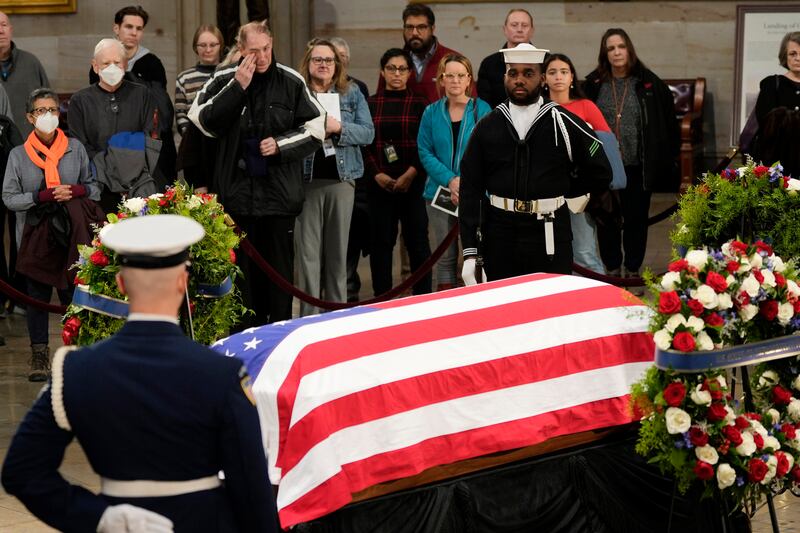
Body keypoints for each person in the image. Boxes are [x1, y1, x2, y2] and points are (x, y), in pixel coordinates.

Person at [1, 214, 279, 532]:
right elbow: (251, 489)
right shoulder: (222, 373)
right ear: (183, 281)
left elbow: (22, 471)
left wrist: (99, 517)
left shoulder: (76, 370)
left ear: (120, 283)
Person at [189, 21, 325, 326]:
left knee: (278, 281)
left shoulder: (290, 80)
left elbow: (317, 126)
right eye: (254, 51)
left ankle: (278, 337)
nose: (262, 56)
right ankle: (244, 343)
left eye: (266, 49)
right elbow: (199, 119)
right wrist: (237, 87)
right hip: (236, 200)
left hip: (279, 198)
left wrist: (280, 144)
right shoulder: (224, 78)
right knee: (241, 282)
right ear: (241, 50)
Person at [459, 44, 612, 283]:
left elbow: (601, 170)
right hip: (499, 232)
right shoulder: (487, 125)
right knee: (505, 308)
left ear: (542, 79)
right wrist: (470, 250)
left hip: (550, 231)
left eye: (528, 73)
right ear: (504, 77)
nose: (519, 80)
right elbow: (470, 187)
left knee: (552, 308)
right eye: (513, 73)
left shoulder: (565, 122)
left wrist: (567, 190)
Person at [2, 88, 101, 382]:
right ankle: (39, 354)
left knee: (74, 296)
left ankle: (77, 354)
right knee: (37, 299)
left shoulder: (75, 148)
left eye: (53, 110)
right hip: (35, 238)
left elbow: (94, 188)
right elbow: (9, 198)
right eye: (41, 111)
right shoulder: (18, 155)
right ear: (30, 117)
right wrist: (41, 195)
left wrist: (75, 190)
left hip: (72, 236)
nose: (48, 116)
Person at [583, 28, 678, 284]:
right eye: (611, 48)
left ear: (629, 49)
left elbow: (666, 125)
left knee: (636, 220)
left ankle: (633, 269)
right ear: (605, 53)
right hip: (604, 167)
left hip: (637, 166)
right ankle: (612, 269)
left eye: (621, 47)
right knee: (606, 220)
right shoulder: (593, 84)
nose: (616, 52)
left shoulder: (649, 83)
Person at [295, 39, 373, 316]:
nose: (324, 65)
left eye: (329, 60)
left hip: (342, 180)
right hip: (305, 183)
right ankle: (306, 318)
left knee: (339, 255)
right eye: (318, 59)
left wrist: (338, 127)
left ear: (337, 64)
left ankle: (336, 316)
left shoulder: (351, 92)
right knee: (308, 258)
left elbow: (368, 133)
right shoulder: (297, 91)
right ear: (308, 62)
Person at [542, 52, 626, 275]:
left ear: (572, 78)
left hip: (578, 191)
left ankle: (600, 303)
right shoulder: (538, 109)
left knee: (584, 252)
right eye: (552, 72)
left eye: (564, 72)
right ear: (544, 79)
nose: (558, 77)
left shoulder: (585, 106)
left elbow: (605, 147)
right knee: (550, 255)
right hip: (546, 191)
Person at [418, 54, 490, 291]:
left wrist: (465, 184)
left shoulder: (482, 109)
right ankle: (447, 310)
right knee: (444, 257)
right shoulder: (430, 112)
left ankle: (480, 307)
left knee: (476, 257)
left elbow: (489, 152)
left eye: (461, 75)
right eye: (450, 75)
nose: (455, 80)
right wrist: (451, 180)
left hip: (476, 193)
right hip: (438, 194)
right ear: (441, 79)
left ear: (469, 80)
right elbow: (425, 151)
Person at [364, 48, 431, 297]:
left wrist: (411, 173)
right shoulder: (370, 103)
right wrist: (376, 174)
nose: (396, 73)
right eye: (391, 68)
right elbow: (363, 145)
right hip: (379, 184)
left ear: (409, 73)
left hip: (413, 183)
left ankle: (422, 298)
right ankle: (383, 299)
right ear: (382, 72)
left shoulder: (420, 104)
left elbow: (426, 144)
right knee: (381, 245)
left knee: (418, 244)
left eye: (402, 69)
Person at [89, 5, 176, 183]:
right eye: (129, 27)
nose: (134, 32)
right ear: (116, 28)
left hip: (144, 138)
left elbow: (161, 107)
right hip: (111, 140)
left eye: (139, 28)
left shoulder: (151, 63)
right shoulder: (101, 62)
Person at [68, 38, 157, 213]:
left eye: (117, 62)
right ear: (95, 66)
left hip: (138, 182)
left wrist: (128, 172)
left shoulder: (142, 94)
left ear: (125, 65)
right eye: (106, 63)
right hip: (98, 184)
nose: (112, 68)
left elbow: (148, 137)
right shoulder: (80, 100)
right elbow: (80, 146)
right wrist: (110, 173)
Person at [330, 37, 371, 301]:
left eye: (344, 55)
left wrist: (339, 130)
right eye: (336, 55)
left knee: (351, 238)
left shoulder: (356, 89)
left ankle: (349, 291)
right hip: (319, 174)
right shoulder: (306, 87)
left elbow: (366, 131)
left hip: (352, 170)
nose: (341, 60)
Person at [377, 3, 470, 104]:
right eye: (409, 27)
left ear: (432, 29)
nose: (414, 33)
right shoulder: (393, 62)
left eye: (421, 27)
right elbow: (379, 101)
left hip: (442, 119)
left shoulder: (453, 60)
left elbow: (469, 104)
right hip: (403, 118)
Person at [752, 31, 800, 176]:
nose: (798, 58)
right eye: (793, 54)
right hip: (777, 158)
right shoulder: (772, 84)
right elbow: (765, 121)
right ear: (785, 56)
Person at [0, 11, 49, 137]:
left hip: (30, 142)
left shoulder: (31, 62)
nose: (0, 31)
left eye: (3, 25)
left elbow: (48, 103)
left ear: (11, 30)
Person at [477, 8, 534, 109]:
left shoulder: (546, 61)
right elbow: (484, 103)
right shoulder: (489, 64)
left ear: (532, 30)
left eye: (524, 25)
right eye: (514, 25)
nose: (520, 29)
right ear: (505, 29)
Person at [175, 25, 224, 135]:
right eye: (202, 45)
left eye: (213, 45)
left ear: (220, 46)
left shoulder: (229, 74)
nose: (208, 50)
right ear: (195, 47)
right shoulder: (184, 78)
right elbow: (180, 114)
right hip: (194, 142)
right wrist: (190, 138)